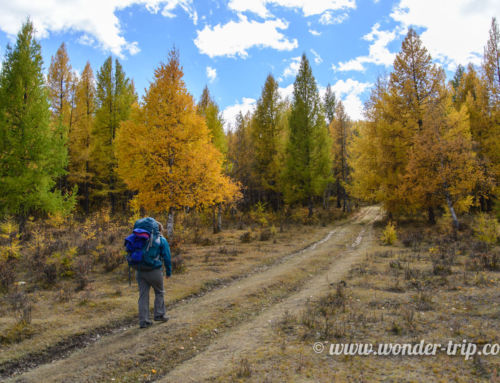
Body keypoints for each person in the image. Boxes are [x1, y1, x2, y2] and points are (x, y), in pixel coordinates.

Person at [136, 221, 172, 328]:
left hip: (139, 270)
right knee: (159, 292)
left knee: (143, 295)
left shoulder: (141, 239)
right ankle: (159, 314)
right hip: (154, 270)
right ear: (160, 229)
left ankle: (144, 321)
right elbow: (167, 257)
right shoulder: (162, 240)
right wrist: (168, 272)